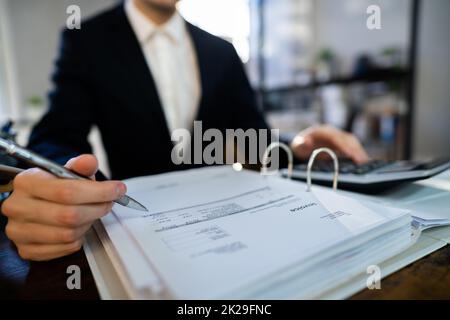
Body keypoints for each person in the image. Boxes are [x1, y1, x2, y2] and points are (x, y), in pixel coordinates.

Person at [1, 0, 368, 261]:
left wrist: (298, 146)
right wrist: (59, 181)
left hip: (225, 224)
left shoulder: (221, 51)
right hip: (133, 226)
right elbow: (56, 134)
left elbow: (252, 137)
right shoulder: (86, 39)